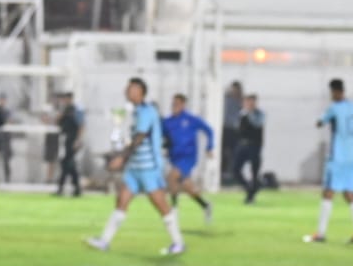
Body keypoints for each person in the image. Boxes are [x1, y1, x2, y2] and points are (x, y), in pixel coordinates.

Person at [86, 77, 184, 256]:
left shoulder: (147, 111)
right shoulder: (137, 112)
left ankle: (178, 243)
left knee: (161, 205)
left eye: (132, 89)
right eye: (128, 88)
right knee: (121, 201)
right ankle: (104, 241)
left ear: (141, 92)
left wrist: (121, 158)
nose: (128, 91)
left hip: (148, 168)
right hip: (134, 168)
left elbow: (139, 138)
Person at [304, 79, 353, 244]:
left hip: (338, 157)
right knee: (349, 193)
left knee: (328, 192)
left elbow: (319, 122)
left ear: (335, 91)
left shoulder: (334, 108)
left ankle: (321, 233)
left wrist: (321, 120)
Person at [162, 93, 215, 223]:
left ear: (183, 105)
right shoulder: (167, 122)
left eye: (177, 104)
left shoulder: (191, 119)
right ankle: (205, 205)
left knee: (171, 177)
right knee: (187, 187)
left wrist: (209, 147)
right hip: (174, 157)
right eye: (173, 103)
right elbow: (162, 137)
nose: (175, 106)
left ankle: (173, 211)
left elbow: (209, 130)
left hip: (188, 157)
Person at [234, 93, 266, 204]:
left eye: (251, 102)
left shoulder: (259, 114)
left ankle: (250, 196)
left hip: (254, 145)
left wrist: (249, 113)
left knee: (254, 172)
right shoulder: (242, 114)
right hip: (242, 145)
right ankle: (249, 189)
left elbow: (257, 124)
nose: (249, 104)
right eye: (247, 102)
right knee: (236, 170)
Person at [55, 91, 83, 197]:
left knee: (68, 164)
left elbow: (81, 125)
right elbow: (57, 121)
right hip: (65, 139)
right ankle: (75, 188)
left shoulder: (76, 110)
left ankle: (63, 188)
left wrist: (78, 140)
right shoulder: (65, 110)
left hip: (73, 139)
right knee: (67, 164)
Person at [221, 81, 243, 185]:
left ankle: (232, 174)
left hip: (235, 130)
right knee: (224, 152)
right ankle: (224, 173)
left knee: (234, 154)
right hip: (226, 128)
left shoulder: (240, 101)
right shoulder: (227, 99)